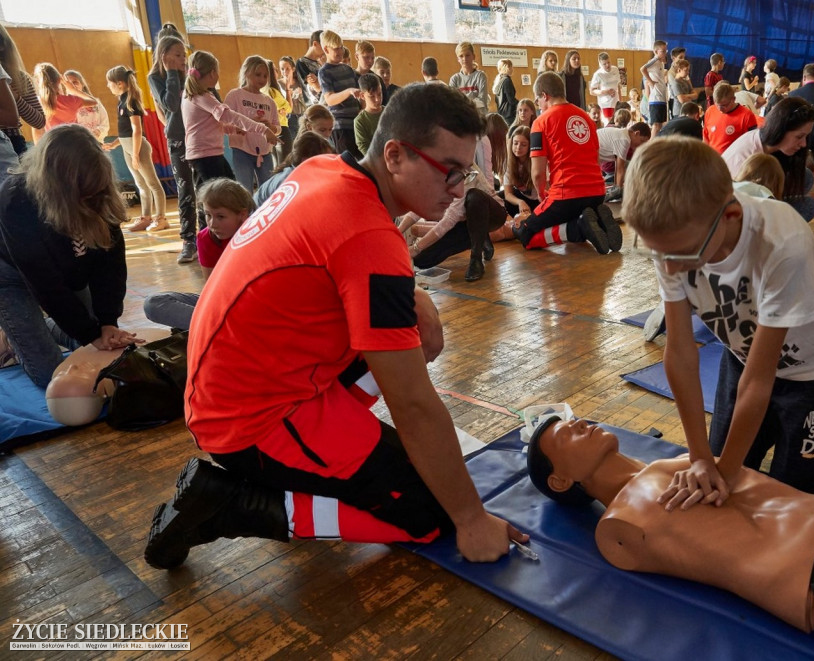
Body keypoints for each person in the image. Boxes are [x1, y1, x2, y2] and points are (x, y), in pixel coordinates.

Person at [143, 83, 527, 570]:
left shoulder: (324, 167)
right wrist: (471, 519)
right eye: (449, 172)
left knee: (413, 330)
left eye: (465, 173)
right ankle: (229, 505)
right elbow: (412, 404)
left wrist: (415, 294)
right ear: (394, 155)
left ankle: (321, 455)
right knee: (434, 515)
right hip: (247, 422)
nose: (457, 189)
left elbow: (330, 260)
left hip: (243, 383)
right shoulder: (368, 235)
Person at [622, 137, 814, 498]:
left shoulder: (780, 241)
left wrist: (724, 474)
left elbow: (759, 380)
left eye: (682, 254)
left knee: (796, 491)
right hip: (746, 352)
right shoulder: (676, 237)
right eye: (658, 253)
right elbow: (679, 352)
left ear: (731, 216)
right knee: (725, 467)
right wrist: (699, 458)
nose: (672, 267)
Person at [526, 417, 814, 634]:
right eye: (567, 433)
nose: (581, 423)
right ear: (560, 480)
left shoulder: (670, 466)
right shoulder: (616, 529)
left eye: (575, 420)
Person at [0, 125, 136, 389]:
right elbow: (44, 282)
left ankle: (46, 327)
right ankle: (12, 338)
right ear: (58, 186)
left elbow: (111, 264)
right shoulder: (16, 198)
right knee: (51, 375)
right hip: (10, 275)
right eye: (82, 195)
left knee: (101, 348)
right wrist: (88, 331)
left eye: (94, 193)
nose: (90, 200)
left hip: (66, 270)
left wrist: (107, 322)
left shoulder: (100, 191)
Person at [510, 73, 619, 254]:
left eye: (538, 101)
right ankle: (590, 222)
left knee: (524, 234)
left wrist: (542, 195)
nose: (539, 106)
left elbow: (537, 173)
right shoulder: (587, 119)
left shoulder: (540, 122)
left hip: (566, 194)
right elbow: (596, 158)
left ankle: (578, 228)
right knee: (565, 217)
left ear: (544, 95)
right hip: (597, 193)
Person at [144, 178, 258, 330]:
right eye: (208, 215)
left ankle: (219, 329)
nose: (212, 223)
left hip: (256, 305)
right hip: (225, 305)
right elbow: (213, 290)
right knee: (154, 303)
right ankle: (222, 328)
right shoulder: (206, 238)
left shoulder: (257, 235)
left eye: (221, 216)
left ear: (242, 215)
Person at [182, 51, 277, 191]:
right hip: (205, 155)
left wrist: (235, 129)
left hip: (208, 154)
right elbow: (229, 116)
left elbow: (213, 125)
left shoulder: (196, 95)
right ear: (213, 73)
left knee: (225, 192)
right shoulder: (201, 96)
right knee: (222, 195)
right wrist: (262, 129)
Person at [44, 327, 171, 426]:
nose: (72, 367)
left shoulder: (56, 371)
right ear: (102, 395)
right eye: (78, 375)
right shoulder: (128, 373)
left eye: (62, 374)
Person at [723, 97, 814, 220]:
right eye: (799, 136)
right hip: (734, 211)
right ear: (781, 129)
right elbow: (740, 211)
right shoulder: (749, 158)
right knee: (807, 206)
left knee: (805, 176)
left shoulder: (765, 142)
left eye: (806, 136)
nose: (804, 144)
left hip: (748, 198)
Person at [149, 35, 200, 264]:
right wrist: (171, 73)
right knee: (185, 189)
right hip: (178, 138)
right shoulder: (156, 77)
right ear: (165, 57)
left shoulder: (190, 74)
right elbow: (169, 104)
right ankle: (189, 241)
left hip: (199, 135)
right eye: (177, 55)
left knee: (204, 185)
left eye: (184, 54)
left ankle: (210, 234)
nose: (183, 59)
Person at [105, 65, 168, 232]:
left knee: (152, 183)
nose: (107, 86)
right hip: (128, 147)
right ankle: (146, 218)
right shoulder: (121, 101)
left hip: (138, 148)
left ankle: (161, 218)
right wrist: (115, 143)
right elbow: (125, 131)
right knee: (141, 184)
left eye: (109, 83)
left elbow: (137, 130)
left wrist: (135, 154)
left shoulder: (131, 101)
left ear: (120, 83)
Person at [225, 55, 281, 192]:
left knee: (267, 190)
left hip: (265, 152)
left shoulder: (269, 101)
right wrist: (245, 126)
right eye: (258, 75)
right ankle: (247, 213)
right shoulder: (234, 95)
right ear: (246, 72)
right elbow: (225, 122)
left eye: (265, 76)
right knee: (245, 189)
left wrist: (270, 127)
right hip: (241, 151)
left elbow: (278, 128)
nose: (262, 79)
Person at [254, 130, 334, 206]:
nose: (328, 166)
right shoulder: (290, 184)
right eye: (325, 160)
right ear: (306, 160)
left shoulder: (295, 172)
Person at [0, 24, 45, 154]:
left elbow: (39, 121)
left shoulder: (19, 78)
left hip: (12, 142)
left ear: (2, 46)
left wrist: (15, 97)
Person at [317, 30, 362, 156]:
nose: (340, 52)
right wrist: (348, 91)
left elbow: (360, 94)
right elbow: (330, 99)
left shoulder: (348, 69)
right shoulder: (324, 72)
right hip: (341, 126)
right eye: (336, 49)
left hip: (357, 123)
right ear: (326, 49)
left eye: (341, 47)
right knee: (346, 161)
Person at [33, 63, 98, 137]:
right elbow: (93, 101)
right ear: (60, 80)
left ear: (38, 82)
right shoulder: (72, 100)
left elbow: (37, 131)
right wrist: (73, 89)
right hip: (75, 140)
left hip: (54, 143)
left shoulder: (38, 102)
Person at [598, 122, 651, 201]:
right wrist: (618, 191)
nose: (641, 145)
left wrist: (617, 187)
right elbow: (620, 169)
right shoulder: (624, 139)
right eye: (642, 141)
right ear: (637, 133)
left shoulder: (623, 134)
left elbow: (617, 166)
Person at [702, 81, 758, 154]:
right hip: (713, 161)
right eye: (717, 104)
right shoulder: (710, 111)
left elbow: (753, 145)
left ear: (733, 99)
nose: (720, 109)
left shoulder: (747, 115)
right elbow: (706, 138)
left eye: (724, 105)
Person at [62, 70, 109, 143]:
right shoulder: (66, 105)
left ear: (82, 84)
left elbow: (105, 124)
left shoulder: (96, 102)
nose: (73, 86)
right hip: (79, 145)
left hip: (97, 143)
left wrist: (99, 131)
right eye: (69, 84)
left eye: (75, 82)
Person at [502, 126, 539, 218]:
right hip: (522, 198)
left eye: (523, 144)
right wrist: (520, 202)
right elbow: (508, 194)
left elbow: (545, 192)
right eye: (515, 143)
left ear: (530, 146)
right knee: (499, 197)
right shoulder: (508, 162)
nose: (518, 147)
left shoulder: (537, 161)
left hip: (539, 199)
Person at [264, 57, 293, 166]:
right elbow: (289, 108)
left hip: (269, 131)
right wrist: (287, 88)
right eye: (276, 69)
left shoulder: (263, 91)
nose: (278, 72)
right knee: (285, 165)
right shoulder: (272, 91)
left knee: (276, 165)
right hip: (281, 129)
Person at [640, 40, 669, 136]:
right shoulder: (654, 61)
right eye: (663, 51)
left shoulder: (660, 62)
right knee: (656, 125)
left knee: (660, 125)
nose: (665, 53)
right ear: (656, 51)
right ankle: (650, 147)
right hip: (655, 98)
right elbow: (642, 69)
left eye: (666, 51)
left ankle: (656, 145)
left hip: (661, 97)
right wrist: (650, 81)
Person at [450, 42, 488, 116]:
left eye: (467, 55)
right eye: (461, 56)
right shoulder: (454, 79)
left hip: (479, 118)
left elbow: (482, 102)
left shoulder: (480, 76)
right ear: (458, 59)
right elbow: (453, 104)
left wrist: (461, 100)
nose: (464, 59)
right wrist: (473, 94)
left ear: (473, 56)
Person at [354, 73, 384, 155]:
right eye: (372, 96)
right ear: (362, 96)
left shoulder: (390, 111)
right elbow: (363, 146)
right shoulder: (359, 121)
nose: (377, 99)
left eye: (379, 94)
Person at [589, 52, 620, 126]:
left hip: (616, 101)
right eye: (604, 64)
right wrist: (605, 92)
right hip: (606, 103)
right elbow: (592, 91)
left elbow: (618, 85)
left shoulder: (615, 69)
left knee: (618, 122)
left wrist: (620, 100)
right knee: (609, 124)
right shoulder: (598, 74)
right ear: (600, 64)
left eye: (608, 62)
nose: (607, 65)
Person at [295, 30, 324, 99]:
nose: (325, 49)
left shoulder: (321, 63)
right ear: (315, 44)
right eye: (323, 46)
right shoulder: (301, 62)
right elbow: (314, 87)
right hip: (316, 104)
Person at [492, 59, 517, 126]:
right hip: (510, 115)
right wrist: (522, 103)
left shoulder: (499, 80)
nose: (512, 69)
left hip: (502, 114)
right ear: (508, 67)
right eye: (512, 67)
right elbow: (511, 100)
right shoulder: (507, 80)